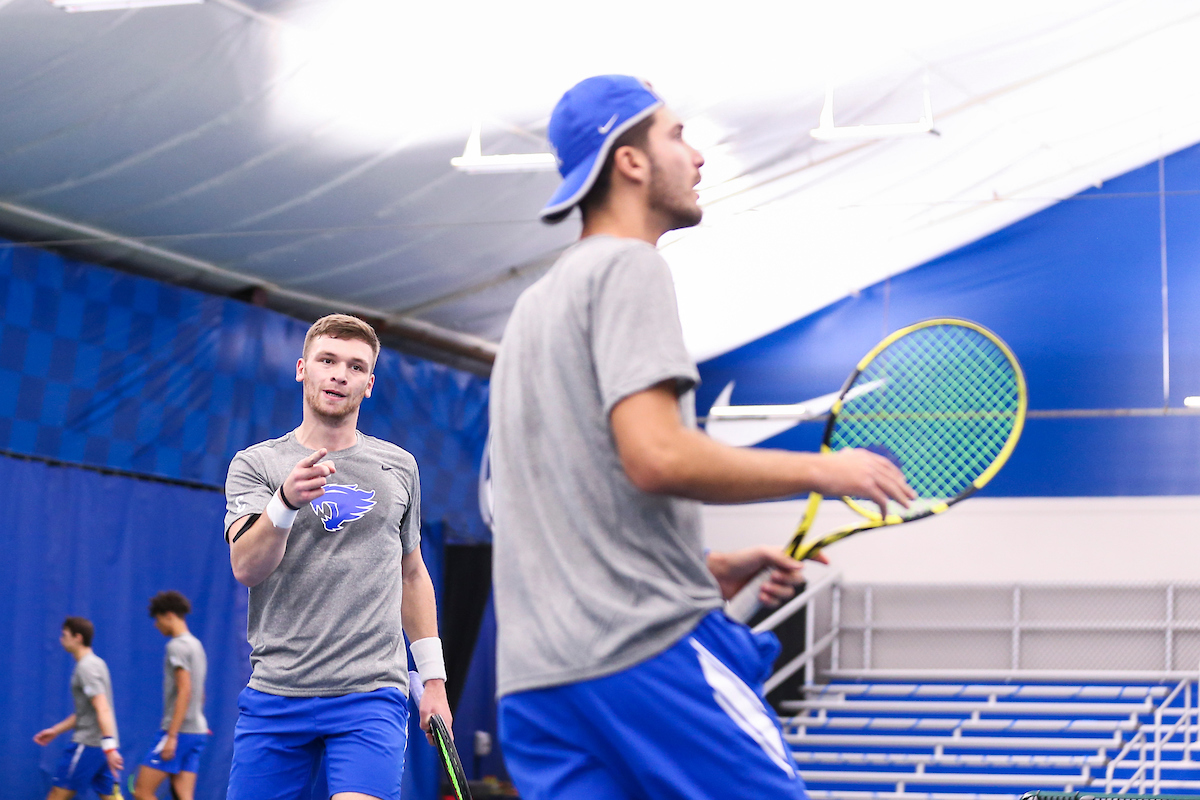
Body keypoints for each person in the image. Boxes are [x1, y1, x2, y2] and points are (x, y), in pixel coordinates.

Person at [489, 75, 916, 800]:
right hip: (643, 662)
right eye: (678, 136)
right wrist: (826, 471)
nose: (698, 157)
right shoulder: (629, 266)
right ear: (629, 161)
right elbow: (655, 457)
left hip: (537, 688)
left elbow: (566, 496)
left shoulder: (532, 311)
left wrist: (704, 566)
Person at [222, 313, 451, 800]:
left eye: (354, 366)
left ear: (369, 384)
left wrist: (434, 681)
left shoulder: (399, 467)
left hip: (371, 692)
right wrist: (283, 504)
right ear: (303, 368)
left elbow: (412, 575)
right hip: (277, 690)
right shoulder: (256, 464)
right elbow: (246, 567)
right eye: (327, 360)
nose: (339, 374)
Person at [34, 617, 124, 800]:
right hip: (102, 747)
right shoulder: (97, 663)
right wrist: (55, 731)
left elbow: (102, 707)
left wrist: (109, 747)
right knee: (110, 798)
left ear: (78, 638)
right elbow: (86, 713)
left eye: (64, 635)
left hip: (88, 745)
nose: (61, 639)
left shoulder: (86, 668)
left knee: (57, 795)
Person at [133, 591, 208, 800]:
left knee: (141, 791)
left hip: (179, 732)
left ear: (169, 615)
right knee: (184, 797)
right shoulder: (196, 645)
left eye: (157, 620)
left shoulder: (177, 646)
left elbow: (186, 690)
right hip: (197, 732)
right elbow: (200, 692)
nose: (157, 626)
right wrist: (197, 719)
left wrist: (172, 736)